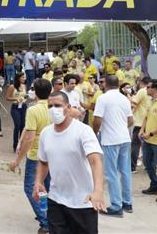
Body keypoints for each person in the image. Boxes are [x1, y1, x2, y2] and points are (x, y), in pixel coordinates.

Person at [33, 91, 105, 234]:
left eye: (58, 105)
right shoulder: (45, 133)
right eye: (50, 106)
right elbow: (43, 162)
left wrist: (98, 190)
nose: (53, 109)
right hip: (56, 200)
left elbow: (95, 161)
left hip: (82, 202)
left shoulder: (83, 131)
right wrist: (38, 181)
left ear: (68, 107)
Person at [10, 78, 52, 233]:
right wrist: (21, 141)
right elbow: (27, 132)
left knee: (30, 187)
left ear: (35, 92)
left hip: (36, 154)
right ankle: (50, 215)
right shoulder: (54, 107)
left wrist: (18, 159)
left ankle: (45, 220)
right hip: (51, 153)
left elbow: (30, 136)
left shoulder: (33, 110)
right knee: (47, 186)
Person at [93, 75, 134, 217]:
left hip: (110, 139)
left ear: (106, 85)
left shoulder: (103, 98)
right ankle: (127, 202)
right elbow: (130, 120)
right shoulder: (124, 99)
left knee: (111, 173)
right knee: (125, 171)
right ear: (119, 84)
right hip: (124, 138)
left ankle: (116, 206)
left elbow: (97, 120)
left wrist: (95, 132)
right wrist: (120, 126)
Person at [131, 77, 151, 173]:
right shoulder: (153, 92)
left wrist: (129, 97)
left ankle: (132, 167)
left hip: (139, 121)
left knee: (135, 145)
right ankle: (149, 166)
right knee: (148, 145)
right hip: (150, 122)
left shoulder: (142, 91)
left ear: (141, 83)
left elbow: (134, 103)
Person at [6, 72, 28, 152]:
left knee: (23, 126)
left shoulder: (24, 86)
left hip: (23, 106)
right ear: (18, 78)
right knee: (17, 125)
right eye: (22, 77)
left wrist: (26, 96)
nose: (24, 79)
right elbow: (7, 97)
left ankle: (21, 144)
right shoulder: (12, 87)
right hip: (15, 107)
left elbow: (24, 96)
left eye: (24, 77)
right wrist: (16, 99)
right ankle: (15, 145)